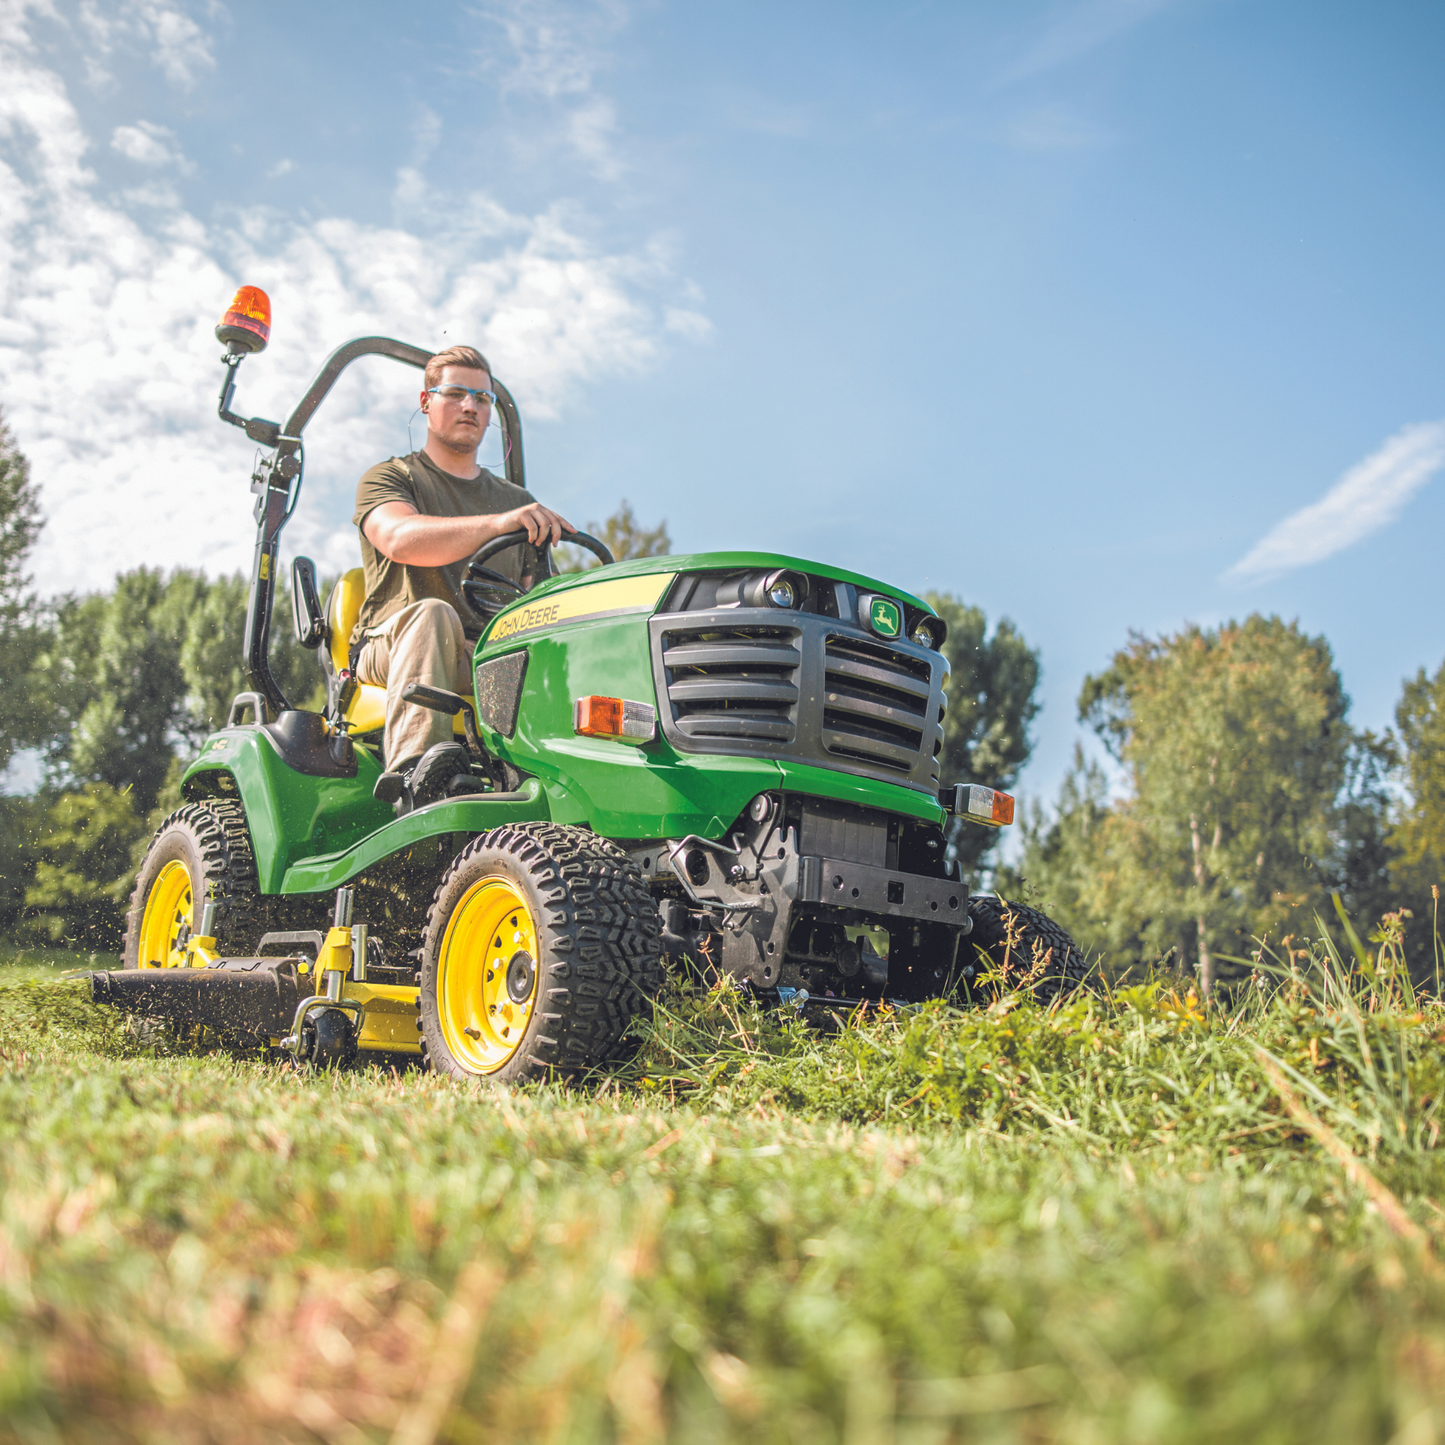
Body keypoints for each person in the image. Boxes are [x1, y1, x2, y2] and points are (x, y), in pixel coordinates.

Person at [350, 343, 574, 804]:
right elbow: (400, 539)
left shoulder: (516, 500)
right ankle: (417, 781)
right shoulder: (392, 477)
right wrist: (497, 526)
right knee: (433, 615)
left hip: (482, 656)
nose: (470, 405)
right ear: (426, 401)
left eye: (483, 398)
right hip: (394, 645)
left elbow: (537, 601)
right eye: (456, 393)